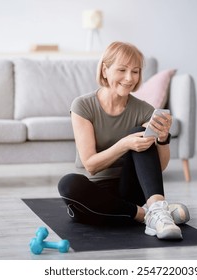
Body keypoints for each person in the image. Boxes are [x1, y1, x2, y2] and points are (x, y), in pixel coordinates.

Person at [58, 41, 189, 240]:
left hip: (130, 189)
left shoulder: (145, 110)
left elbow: (158, 167)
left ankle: (156, 208)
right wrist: (124, 144)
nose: (129, 78)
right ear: (105, 70)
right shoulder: (83, 105)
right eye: (122, 70)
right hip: (97, 191)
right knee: (68, 184)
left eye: (135, 71)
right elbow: (91, 166)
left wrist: (163, 139)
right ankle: (147, 215)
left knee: (140, 131)